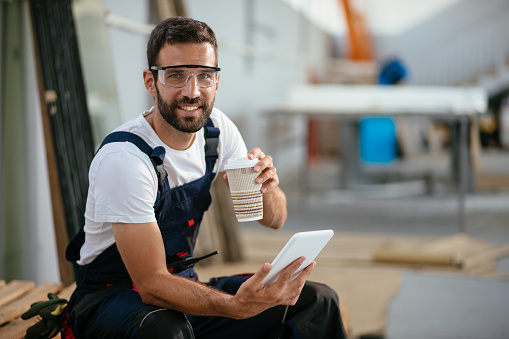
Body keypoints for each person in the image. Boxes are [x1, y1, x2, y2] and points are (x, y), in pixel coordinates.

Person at [62, 16, 347, 339]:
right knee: (167, 330)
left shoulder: (217, 131)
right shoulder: (125, 159)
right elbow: (151, 284)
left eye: (204, 76)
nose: (192, 91)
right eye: (176, 76)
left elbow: (274, 219)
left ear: (217, 81)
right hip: (111, 300)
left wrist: (267, 185)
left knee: (317, 301)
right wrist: (236, 306)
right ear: (150, 81)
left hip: (182, 290)